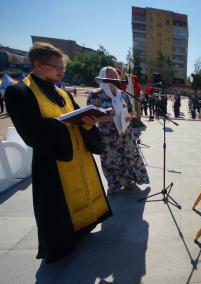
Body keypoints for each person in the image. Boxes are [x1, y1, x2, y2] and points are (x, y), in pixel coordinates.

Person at [5, 42, 112, 263]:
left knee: (84, 193)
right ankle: (61, 244)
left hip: (79, 156)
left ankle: (83, 228)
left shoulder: (62, 91)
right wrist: (60, 124)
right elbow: (30, 132)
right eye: (56, 67)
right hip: (54, 161)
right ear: (37, 64)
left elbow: (78, 117)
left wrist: (89, 122)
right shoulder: (19, 92)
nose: (60, 71)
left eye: (62, 67)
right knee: (56, 209)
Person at [87, 66, 150, 195]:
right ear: (102, 76)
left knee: (128, 158)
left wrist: (129, 116)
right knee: (111, 160)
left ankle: (128, 181)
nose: (114, 78)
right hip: (108, 136)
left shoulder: (123, 95)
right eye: (110, 75)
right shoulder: (96, 95)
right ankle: (114, 184)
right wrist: (110, 117)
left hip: (125, 133)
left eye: (115, 75)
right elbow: (90, 116)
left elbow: (132, 112)